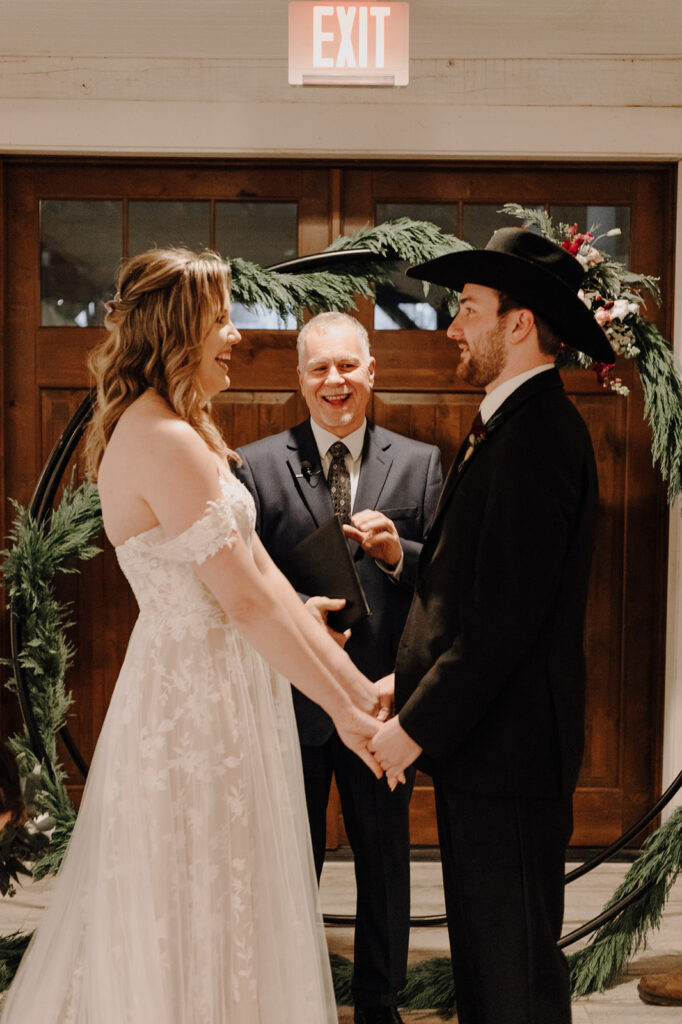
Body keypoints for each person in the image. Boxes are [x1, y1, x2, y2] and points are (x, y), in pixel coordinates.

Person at [1, 249, 386, 1024]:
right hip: (192, 709)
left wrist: (358, 693)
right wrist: (348, 719)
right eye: (219, 319)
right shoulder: (164, 439)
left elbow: (268, 582)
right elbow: (245, 605)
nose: (235, 336)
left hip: (229, 692)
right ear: (177, 332)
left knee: (233, 889)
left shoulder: (188, 431)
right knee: (196, 893)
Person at [369, 228, 615, 1024]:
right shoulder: (508, 424)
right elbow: (458, 593)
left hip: (510, 758)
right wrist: (402, 686)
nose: (451, 327)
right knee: (486, 965)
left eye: (467, 309)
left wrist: (415, 725)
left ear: (518, 323)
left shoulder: (540, 436)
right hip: (487, 750)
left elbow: (504, 624)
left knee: (514, 981)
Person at [236, 311, 442, 1024]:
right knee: (288, 863)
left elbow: (448, 585)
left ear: (371, 370)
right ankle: (291, 998)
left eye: (347, 366)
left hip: (383, 701)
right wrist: (299, 610)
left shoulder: (420, 464)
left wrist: (396, 555)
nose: (335, 381)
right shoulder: (254, 465)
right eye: (319, 368)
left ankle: (379, 1004)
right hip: (289, 699)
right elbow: (241, 583)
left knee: (385, 864)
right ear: (300, 379)